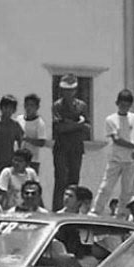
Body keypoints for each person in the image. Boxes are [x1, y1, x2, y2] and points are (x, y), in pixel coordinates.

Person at [91, 90, 134, 216]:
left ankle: (122, 214)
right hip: (116, 159)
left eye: (127, 105)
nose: (124, 107)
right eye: (122, 104)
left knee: (127, 190)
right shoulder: (111, 119)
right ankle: (96, 211)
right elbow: (117, 140)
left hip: (131, 159)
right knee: (106, 187)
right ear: (117, 103)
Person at [51, 75, 90, 209]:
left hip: (76, 148)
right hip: (61, 148)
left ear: (75, 90)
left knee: (74, 181)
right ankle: (58, 208)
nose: (67, 93)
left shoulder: (82, 106)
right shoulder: (57, 106)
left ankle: (73, 209)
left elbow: (87, 128)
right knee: (61, 180)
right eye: (65, 90)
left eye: (70, 90)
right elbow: (59, 128)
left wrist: (71, 124)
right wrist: (78, 124)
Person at [0, 94, 24, 184]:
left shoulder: (15, 125)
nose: (8, 111)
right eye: (6, 107)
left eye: (11, 108)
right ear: (1, 108)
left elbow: (21, 143)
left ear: (14, 110)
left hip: (9, 162)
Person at [17, 93, 47, 174]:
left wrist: (27, 139)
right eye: (26, 105)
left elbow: (42, 142)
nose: (28, 108)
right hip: (18, 159)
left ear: (37, 107)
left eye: (32, 105)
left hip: (33, 160)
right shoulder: (19, 119)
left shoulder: (39, 123)